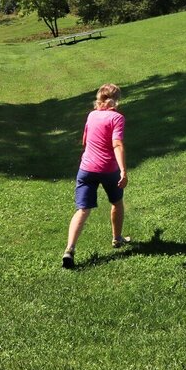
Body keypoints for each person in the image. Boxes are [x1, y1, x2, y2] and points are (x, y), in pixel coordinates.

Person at [62, 83, 130, 269]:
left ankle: (69, 249)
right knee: (116, 203)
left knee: (82, 209)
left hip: (86, 169)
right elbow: (117, 144)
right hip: (108, 169)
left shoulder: (91, 115)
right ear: (116, 100)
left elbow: (85, 141)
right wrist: (123, 170)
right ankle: (117, 239)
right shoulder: (117, 118)